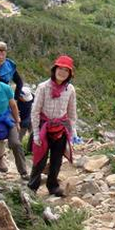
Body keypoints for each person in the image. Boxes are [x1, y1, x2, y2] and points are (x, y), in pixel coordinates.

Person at [28, 55, 77, 196]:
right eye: (60, 69)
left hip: (61, 128)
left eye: (66, 70)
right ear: (54, 70)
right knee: (40, 159)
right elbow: (35, 111)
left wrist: (72, 133)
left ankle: (53, 186)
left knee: (57, 159)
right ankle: (32, 186)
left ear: (69, 74)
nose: (62, 73)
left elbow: (72, 113)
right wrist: (36, 133)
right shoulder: (43, 87)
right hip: (44, 126)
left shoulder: (70, 90)